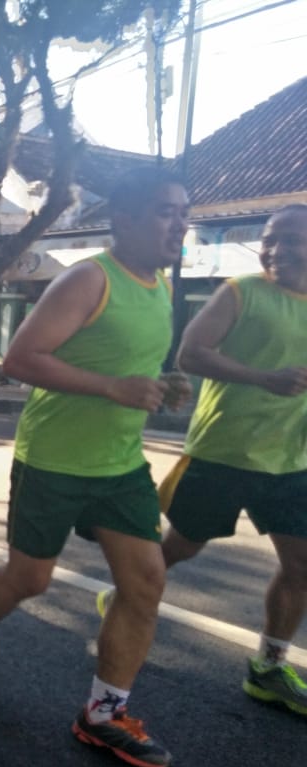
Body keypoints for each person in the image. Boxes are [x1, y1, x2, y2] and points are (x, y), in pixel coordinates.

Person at [0, 167, 192, 767]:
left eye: (184, 213)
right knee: (30, 579)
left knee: (146, 582)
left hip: (120, 465)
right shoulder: (89, 279)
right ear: (125, 219)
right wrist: (113, 387)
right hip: (53, 461)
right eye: (166, 212)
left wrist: (163, 385)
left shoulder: (160, 285)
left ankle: (104, 714)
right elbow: (21, 359)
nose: (180, 225)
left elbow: (124, 364)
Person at [99, 203, 307, 718]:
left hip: (291, 460)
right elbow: (190, 354)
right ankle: (128, 593)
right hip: (222, 452)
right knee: (181, 547)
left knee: (302, 566)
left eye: (291, 240)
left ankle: (268, 668)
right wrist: (264, 378)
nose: (275, 250)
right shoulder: (241, 291)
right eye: (269, 238)